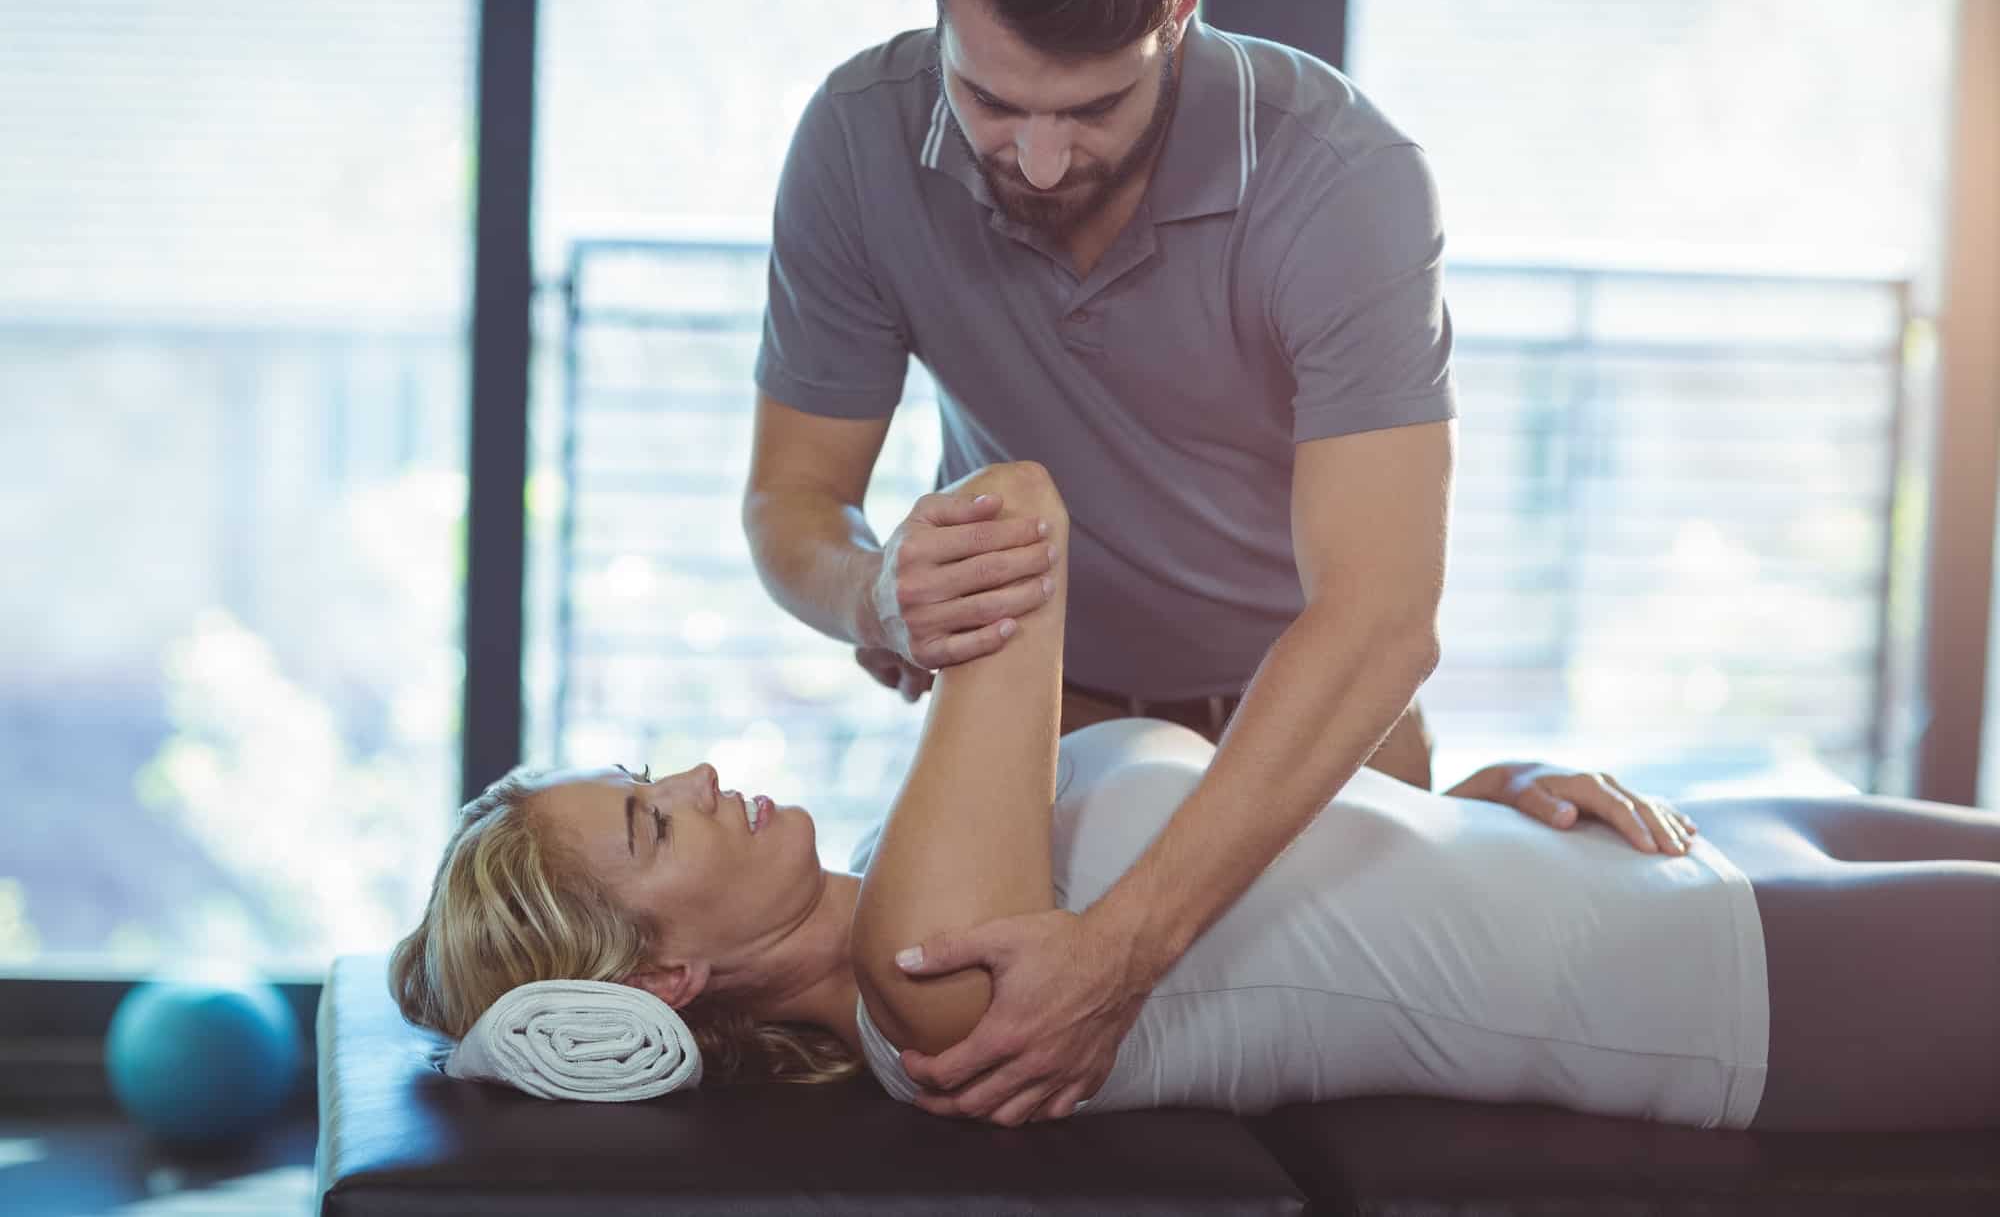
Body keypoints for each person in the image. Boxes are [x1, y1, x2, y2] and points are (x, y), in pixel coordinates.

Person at [393, 462, 2000, 1133]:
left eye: (641, 773)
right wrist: (883, 596)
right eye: (650, 823)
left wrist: (1490, 792)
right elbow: (1014, 501)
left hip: (1676, 839)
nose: (690, 775)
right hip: (1711, 990)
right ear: (665, 982)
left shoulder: (913, 859)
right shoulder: (926, 984)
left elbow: (1310, 847)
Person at [744, 0, 1456, 1124]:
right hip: (1047, 712)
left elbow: (1381, 619)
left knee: (1350, 1136)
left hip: (1300, 728)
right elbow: (791, 502)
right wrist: (874, 594)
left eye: (1092, 107)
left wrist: (1126, 947)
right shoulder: (857, 142)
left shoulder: (1342, 175)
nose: (1038, 157)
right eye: (988, 100)